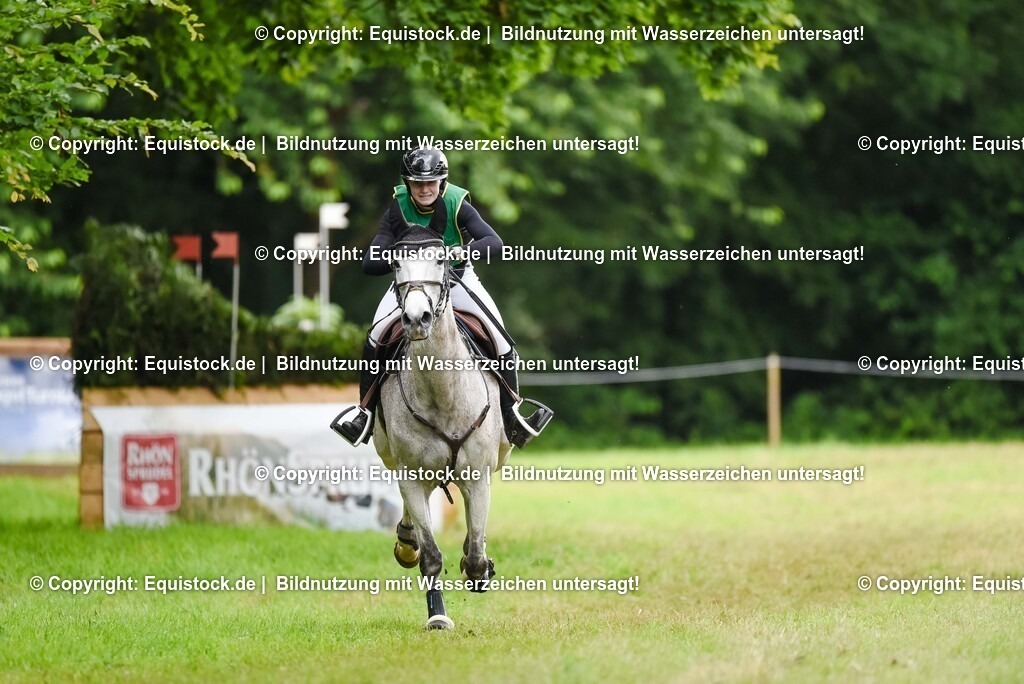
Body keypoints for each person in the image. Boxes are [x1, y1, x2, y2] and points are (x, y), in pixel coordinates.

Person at [334, 145, 552, 447]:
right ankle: (365, 415)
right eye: (417, 183)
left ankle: (512, 415)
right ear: (408, 183)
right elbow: (370, 262)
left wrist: (460, 251)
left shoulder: (455, 202)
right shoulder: (397, 207)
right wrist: (402, 259)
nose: (424, 189)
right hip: (410, 286)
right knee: (375, 337)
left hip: (457, 282)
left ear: (442, 182)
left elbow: (495, 242)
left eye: (430, 182)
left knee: (501, 341)